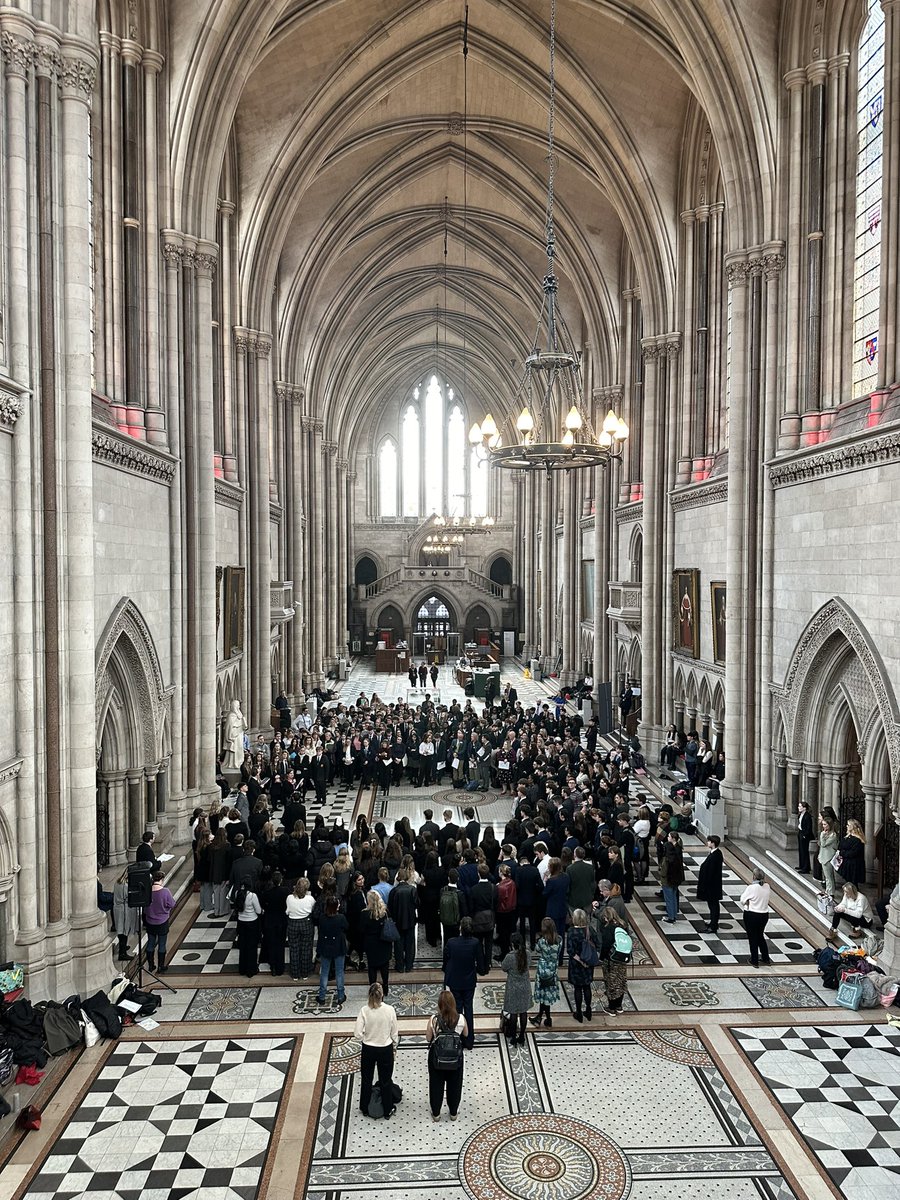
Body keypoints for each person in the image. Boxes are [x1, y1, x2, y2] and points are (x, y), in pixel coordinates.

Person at [355, 983, 399, 1119]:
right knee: (385, 1080)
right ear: (382, 995)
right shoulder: (390, 1010)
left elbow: (357, 1033)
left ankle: (364, 1107)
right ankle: (387, 1109)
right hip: (385, 1048)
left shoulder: (364, 1010)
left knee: (366, 1079)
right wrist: (395, 1046)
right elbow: (394, 1032)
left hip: (368, 1048)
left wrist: (366, 1037)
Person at [425, 989, 467, 1121]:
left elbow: (428, 1038)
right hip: (455, 1056)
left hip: (437, 1056)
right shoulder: (460, 1018)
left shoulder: (434, 1019)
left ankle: (436, 1113)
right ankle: (453, 1112)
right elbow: (466, 1034)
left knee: (436, 1084)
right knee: (455, 1084)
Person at [443, 916, 484, 1049]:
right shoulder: (475, 943)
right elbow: (480, 961)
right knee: (469, 1009)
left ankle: (457, 1038)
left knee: (457, 1010)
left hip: (455, 980)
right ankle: (469, 1040)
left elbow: (446, 958)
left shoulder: (451, 942)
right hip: (469, 981)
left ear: (460, 928)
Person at [499, 933, 531, 1044]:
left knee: (513, 1012)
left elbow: (503, 967)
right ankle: (522, 1035)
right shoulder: (527, 954)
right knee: (523, 1011)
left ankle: (513, 1036)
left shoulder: (510, 956)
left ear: (512, 944)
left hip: (513, 987)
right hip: (525, 986)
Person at [317, 895, 349, 1004]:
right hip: (338, 946)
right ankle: (340, 996)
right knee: (339, 972)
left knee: (324, 972)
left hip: (325, 946)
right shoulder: (341, 918)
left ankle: (322, 996)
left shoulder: (322, 917)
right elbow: (346, 927)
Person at [596, 906, 628, 1014]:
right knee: (621, 980)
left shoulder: (608, 928)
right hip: (622, 957)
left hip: (611, 959)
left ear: (606, 917)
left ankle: (612, 1008)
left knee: (611, 982)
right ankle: (619, 1006)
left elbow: (606, 946)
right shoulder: (622, 924)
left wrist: (601, 958)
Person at [529, 917, 560, 1028]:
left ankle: (544, 1018)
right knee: (547, 996)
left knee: (543, 996)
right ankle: (543, 1017)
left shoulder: (542, 941)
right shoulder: (559, 940)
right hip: (553, 970)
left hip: (543, 970)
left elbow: (537, 950)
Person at [360, 890, 393, 995]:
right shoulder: (385, 912)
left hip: (371, 943)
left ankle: (373, 990)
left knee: (372, 967)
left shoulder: (365, 914)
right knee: (385, 966)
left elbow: (360, 929)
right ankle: (386, 987)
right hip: (384, 942)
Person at [143, 869, 175, 973]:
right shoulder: (165, 891)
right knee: (162, 944)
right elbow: (172, 904)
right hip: (162, 921)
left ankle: (151, 965)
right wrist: (166, 910)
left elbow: (144, 907)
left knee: (151, 943)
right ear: (161, 879)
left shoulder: (147, 891)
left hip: (150, 921)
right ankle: (161, 966)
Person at [566, 908, 595, 1022]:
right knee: (587, 987)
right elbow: (597, 943)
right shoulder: (590, 930)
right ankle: (588, 1010)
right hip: (588, 963)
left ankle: (578, 1012)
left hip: (576, 965)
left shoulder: (572, 932)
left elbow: (570, 951)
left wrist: (580, 961)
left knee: (578, 988)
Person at [739, 867, 771, 968]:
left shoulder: (751, 888)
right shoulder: (767, 886)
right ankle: (766, 958)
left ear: (754, 876)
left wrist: (748, 901)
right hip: (764, 915)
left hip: (752, 915)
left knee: (752, 938)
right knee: (760, 936)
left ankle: (754, 960)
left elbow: (742, 900)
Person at [259, 869, 290, 976]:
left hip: (270, 920)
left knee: (271, 944)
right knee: (280, 944)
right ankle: (280, 967)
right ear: (281, 880)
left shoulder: (267, 893)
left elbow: (262, 904)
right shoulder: (286, 891)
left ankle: (273, 967)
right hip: (281, 921)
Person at [387, 867, 418, 973]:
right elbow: (417, 903)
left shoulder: (394, 891)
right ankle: (409, 965)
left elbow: (389, 907)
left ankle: (399, 965)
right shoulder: (412, 890)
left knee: (398, 944)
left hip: (397, 921)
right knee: (410, 943)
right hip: (410, 920)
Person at [286, 877, 316, 979]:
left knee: (294, 949)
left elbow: (287, 911)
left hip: (292, 924)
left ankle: (295, 974)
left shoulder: (289, 897)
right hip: (306, 924)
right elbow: (312, 910)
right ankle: (305, 973)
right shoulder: (310, 899)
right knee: (306, 949)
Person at [696, 835, 724, 933]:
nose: (707, 843)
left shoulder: (715, 855)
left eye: (709, 841)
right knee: (712, 905)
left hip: (712, 886)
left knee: (713, 906)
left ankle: (713, 926)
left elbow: (711, 872)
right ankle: (713, 922)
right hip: (712, 886)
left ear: (713, 843)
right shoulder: (715, 853)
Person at [235, 878, 263, 977]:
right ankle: (251, 970)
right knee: (252, 947)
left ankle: (242, 968)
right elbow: (258, 911)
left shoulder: (237, 893)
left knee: (243, 946)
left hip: (241, 922)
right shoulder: (252, 896)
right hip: (252, 923)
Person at [660, 830, 685, 923]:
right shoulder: (678, 849)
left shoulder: (669, 856)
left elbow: (664, 869)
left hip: (669, 878)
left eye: (669, 837)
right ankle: (674, 915)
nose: (667, 838)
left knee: (669, 898)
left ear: (673, 838)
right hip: (677, 878)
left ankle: (671, 917)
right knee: (674, 897)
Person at [817, 811, 842, 899]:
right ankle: (828, 890)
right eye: (823, 824)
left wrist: (822, 834)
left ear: (829, 825)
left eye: (825, 825)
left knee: (829, 876)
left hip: (828, 857)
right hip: (823, 856)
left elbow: (823, 844)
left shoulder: (833, 835)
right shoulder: (827, 834)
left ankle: (830, 892)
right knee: (827, 876)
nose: (823, 826)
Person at [835, 819, 866, 886]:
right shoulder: (847, 837)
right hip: (846, 862)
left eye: (848, 825)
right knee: (848, 882)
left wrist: (842, 853)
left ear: (852, 827)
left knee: (853, 883)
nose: (846, 826)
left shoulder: (858, 840)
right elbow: (840, 846)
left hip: (853, 864)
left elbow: (853, 853)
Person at [222, 698, 248, 770]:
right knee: (234, 750)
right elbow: (228, 728)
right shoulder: (231, 716)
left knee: (239, 749)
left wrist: (244, 724)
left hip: (239, 735)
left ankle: (239, 762)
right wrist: (230, 737)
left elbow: (243, 726)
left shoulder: (239, 714)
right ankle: (233, 763)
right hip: (234, 736)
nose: (239, 707)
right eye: (238, 706)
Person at [797, 801, 813, 874]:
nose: (798, 808)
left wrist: (804, 835)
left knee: (804, 851)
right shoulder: (801, 814)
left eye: (800, 806)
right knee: (801, 850)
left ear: (804, 808)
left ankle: (805, 868)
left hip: (804, 835)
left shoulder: (807, 816)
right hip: (800, 832)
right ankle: (801, 865)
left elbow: (809, 828)